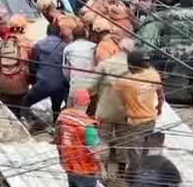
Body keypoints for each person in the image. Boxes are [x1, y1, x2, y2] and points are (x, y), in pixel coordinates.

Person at [57, 89, 102, 187]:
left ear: (74, 101)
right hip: (86, 169)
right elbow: (95, 153)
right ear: (88, 103)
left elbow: (58, 138)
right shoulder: (88, 126)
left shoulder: (63, 116)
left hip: (69, 164)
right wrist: (102, 168)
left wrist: (61, 157)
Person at [112, 49, 164, 174]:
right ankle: (143, 169)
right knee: (144, 148)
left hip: (136, 122)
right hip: (151, 119)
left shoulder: (126, 82)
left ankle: (133, 176)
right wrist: (159, 109)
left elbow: (112, 84)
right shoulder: (153, 74)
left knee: (134, 151)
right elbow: (161, 95)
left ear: (130, 65)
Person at [93, 36, 134, 164]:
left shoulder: (105, 64)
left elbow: (92, 84)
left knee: (103, 138)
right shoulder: (134, 69)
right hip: (125, 109)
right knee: (124, 138)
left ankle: (103, 167)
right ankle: (122, 168)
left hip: (105, 108)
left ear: (119, 48)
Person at [25, 21, 69, 123]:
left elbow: (33, 66)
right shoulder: (64, 47)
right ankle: (55, 128)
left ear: (47, 32)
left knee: (25, 102)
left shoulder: (38, 45)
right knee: (56, 107)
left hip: (43, 83)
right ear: (59, 33)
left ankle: (25, 122)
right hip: (59, 85)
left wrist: (33, 81)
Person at [0, 15, 34, 119]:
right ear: (23, 27)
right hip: (20, 86)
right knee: (23, 111)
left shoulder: (3, 42)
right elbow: (33, 65)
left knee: (9, 114)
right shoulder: (27, 43)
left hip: (4, 85)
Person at [63, 24, 98, 99]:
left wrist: (71, 81)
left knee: (72, 109)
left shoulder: (68, 49)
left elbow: (65, 70)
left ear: (73, 36)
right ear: (86, 35)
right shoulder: (95, 46)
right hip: (93, 86)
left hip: (76, 86)